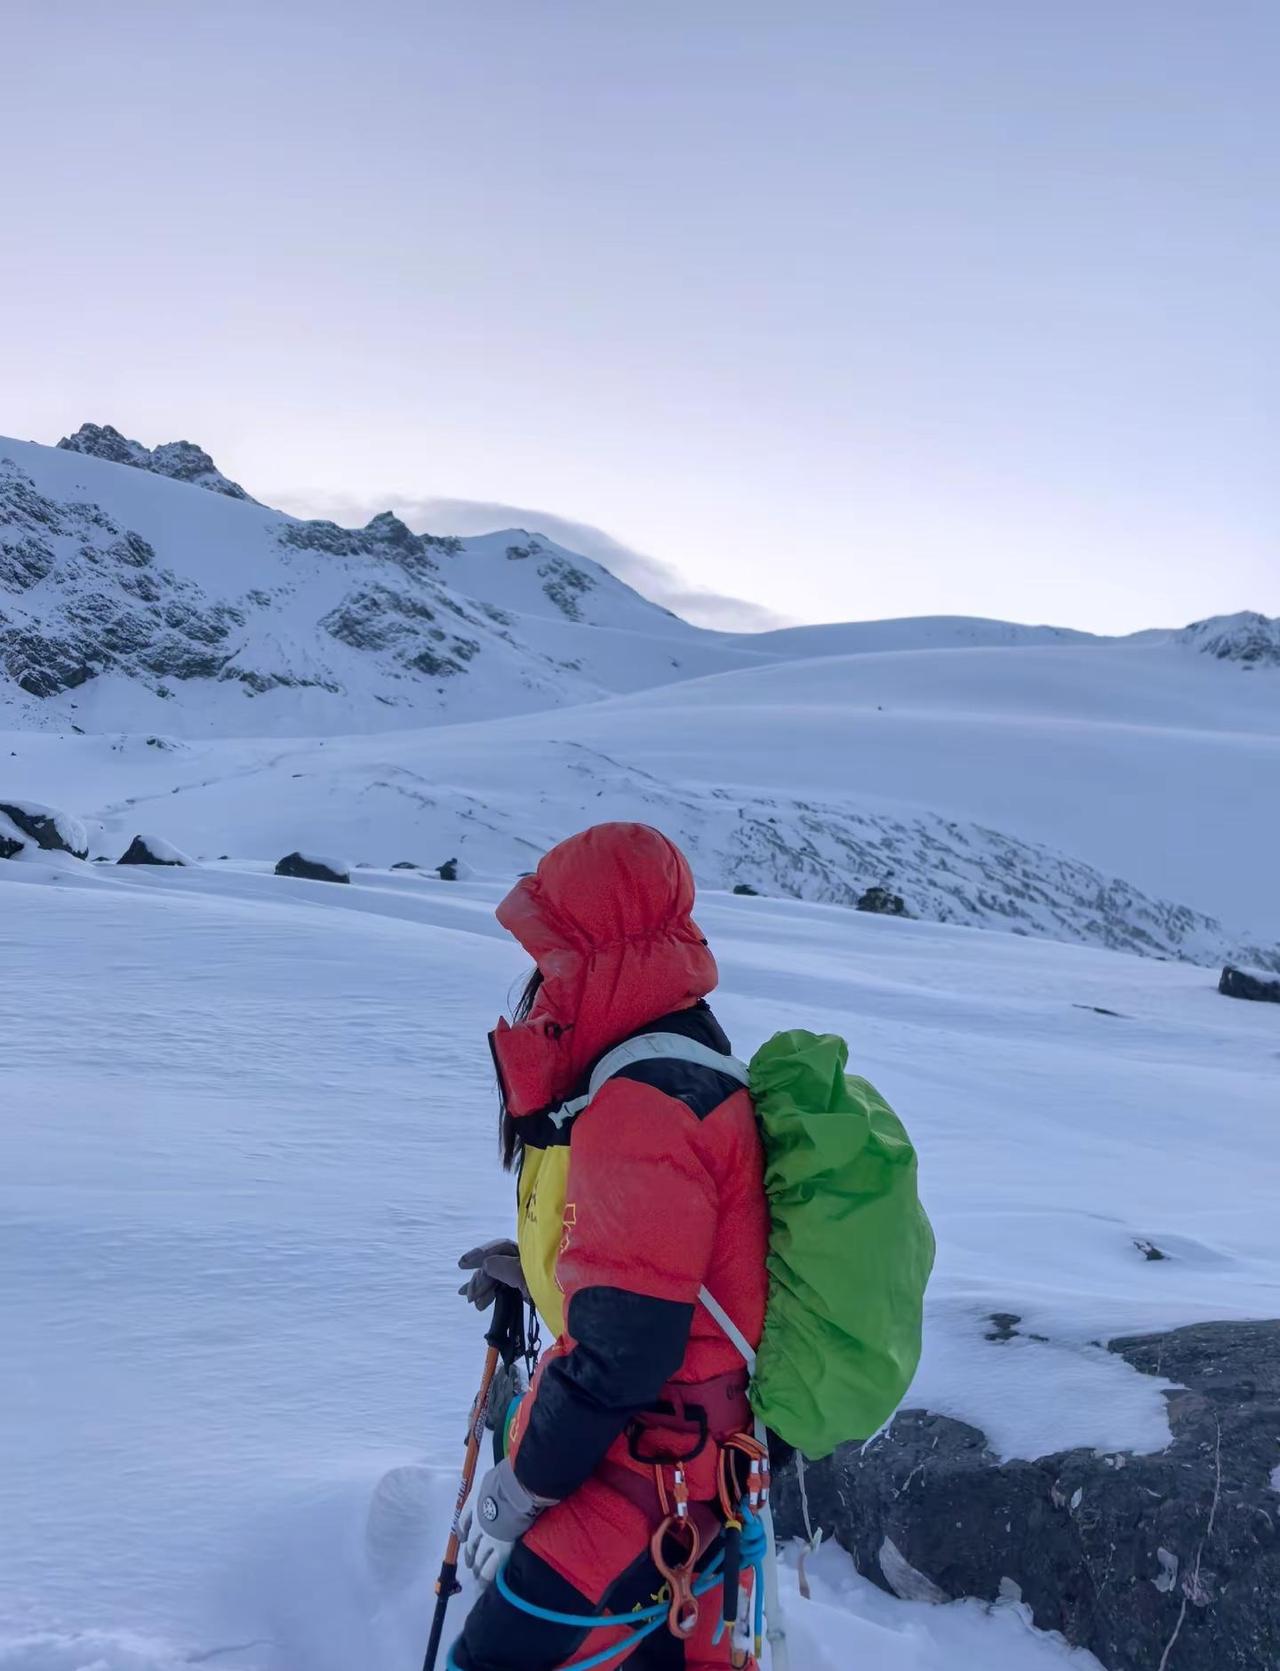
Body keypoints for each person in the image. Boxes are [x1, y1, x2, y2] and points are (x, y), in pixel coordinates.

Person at [451, 822, 769, 1671]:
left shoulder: (639, 1107)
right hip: (700, 1480)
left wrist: (518, 1489)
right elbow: (668, 1277)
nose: (542, 979)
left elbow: (624, 1352)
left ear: (603, 958)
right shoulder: (695, 1063)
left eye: (556, 955)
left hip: (643, 1480)